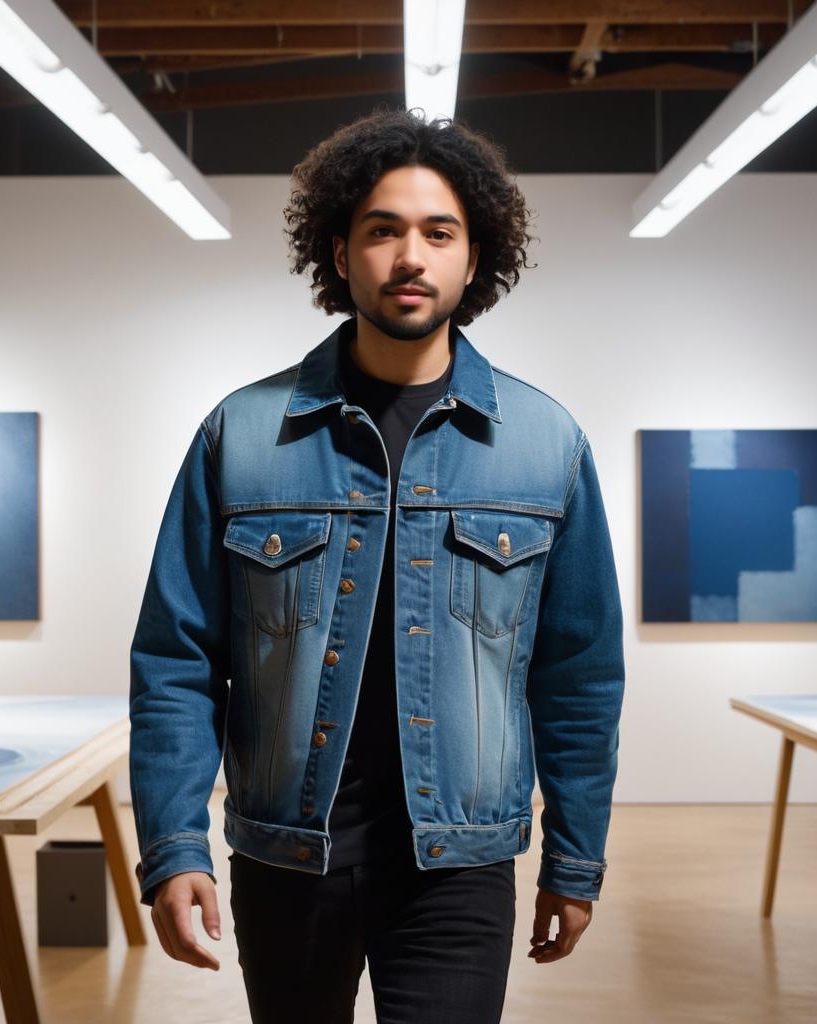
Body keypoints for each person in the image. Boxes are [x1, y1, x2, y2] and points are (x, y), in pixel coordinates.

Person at [129, 105, 625, 1023]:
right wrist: (175, 846)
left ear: (475, 259)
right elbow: (176, 661)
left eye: (440, 233)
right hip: (288, 860)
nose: (411, 257)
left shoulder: (545, 444)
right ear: (339, 251)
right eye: (382, 230)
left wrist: (575, 856)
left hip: (460, 867)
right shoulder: (241, 435)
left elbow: (579, 676)